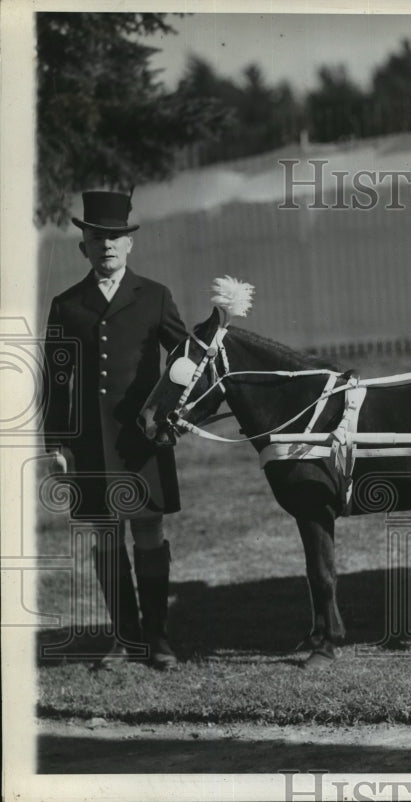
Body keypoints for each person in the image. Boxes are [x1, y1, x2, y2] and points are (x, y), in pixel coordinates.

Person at [43, 190, 187, 670]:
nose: (107, 245)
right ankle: (125, 641)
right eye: (97, 236)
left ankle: (158, 639)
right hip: (89, 445)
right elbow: (56, 381)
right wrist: (57, 445)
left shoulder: (156, 296)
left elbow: (187, 362)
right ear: (84, 246)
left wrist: (171, 410)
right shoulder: (67, 305)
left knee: (148, 529)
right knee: (105, 536)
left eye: (116, 237)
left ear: (130, 244)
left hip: (142, 439)